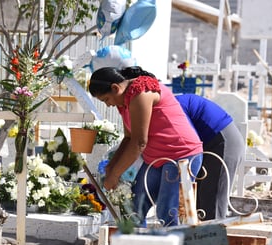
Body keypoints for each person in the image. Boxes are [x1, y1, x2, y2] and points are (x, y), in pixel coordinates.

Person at [88, 66, 203, 227]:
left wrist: (115, 175)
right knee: (135, 207)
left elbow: (139, 142)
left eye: (106, 99)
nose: (108, 105)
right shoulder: (124, 100)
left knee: (166, 211)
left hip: (181, 154)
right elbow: (128, 138)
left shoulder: (141, 93)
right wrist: (110, 168)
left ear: (115, 88)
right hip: (156, 158)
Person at [175, 94, 245, 220]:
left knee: (212, 202)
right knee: (198, 205)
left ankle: (213, 238)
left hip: (223, 142)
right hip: (208, 145)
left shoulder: (173, 108)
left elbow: (187, 141)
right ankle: (199, 238)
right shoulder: (168, 106)